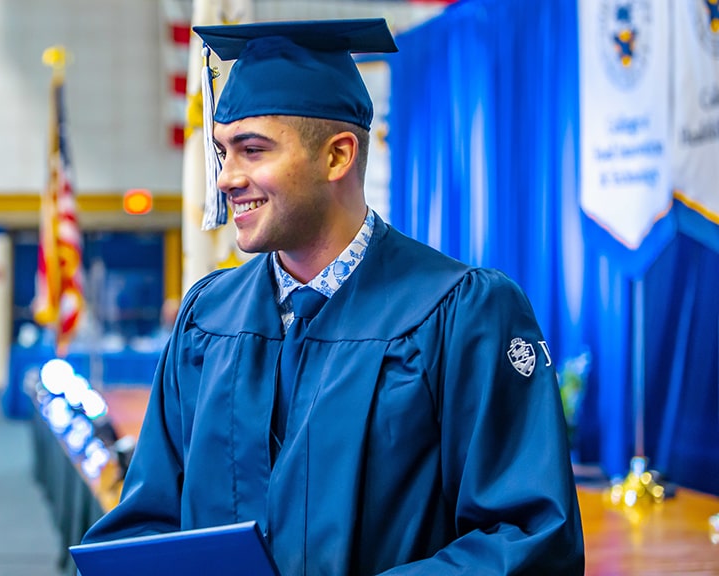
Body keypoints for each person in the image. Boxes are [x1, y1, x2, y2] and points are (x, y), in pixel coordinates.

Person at [83, 18, 584, 575]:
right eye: (223, 152)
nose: (226, 178)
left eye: (252, 150)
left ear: (338, 157)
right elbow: (146, 521)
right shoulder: (208, 318)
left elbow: (529, 538)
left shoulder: (462, 312)